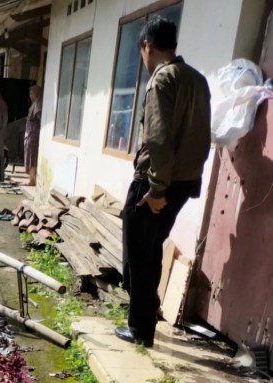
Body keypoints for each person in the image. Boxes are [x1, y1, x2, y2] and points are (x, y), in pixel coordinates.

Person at [116, 17, 211, 348]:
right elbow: (202, 136)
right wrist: (191, 183)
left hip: (156, 182)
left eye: (142, 50)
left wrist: (156, 190)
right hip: (183, 183)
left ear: (147, 46)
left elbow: (156, 141)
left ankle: (140, 329)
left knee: (137, 257)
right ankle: (150, 308)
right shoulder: (197, 80)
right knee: (151, 247)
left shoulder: (161, 80)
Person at [24, 85, 42, 186]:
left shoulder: (38, 105)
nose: (31, 95)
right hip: (30, 134)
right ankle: (30, 179)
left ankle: (32, 180)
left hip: (33, 135)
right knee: (29, 156)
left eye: (32, 93)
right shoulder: (34, 104)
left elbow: (39, 120)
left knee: (32, 157)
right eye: (30, 93)